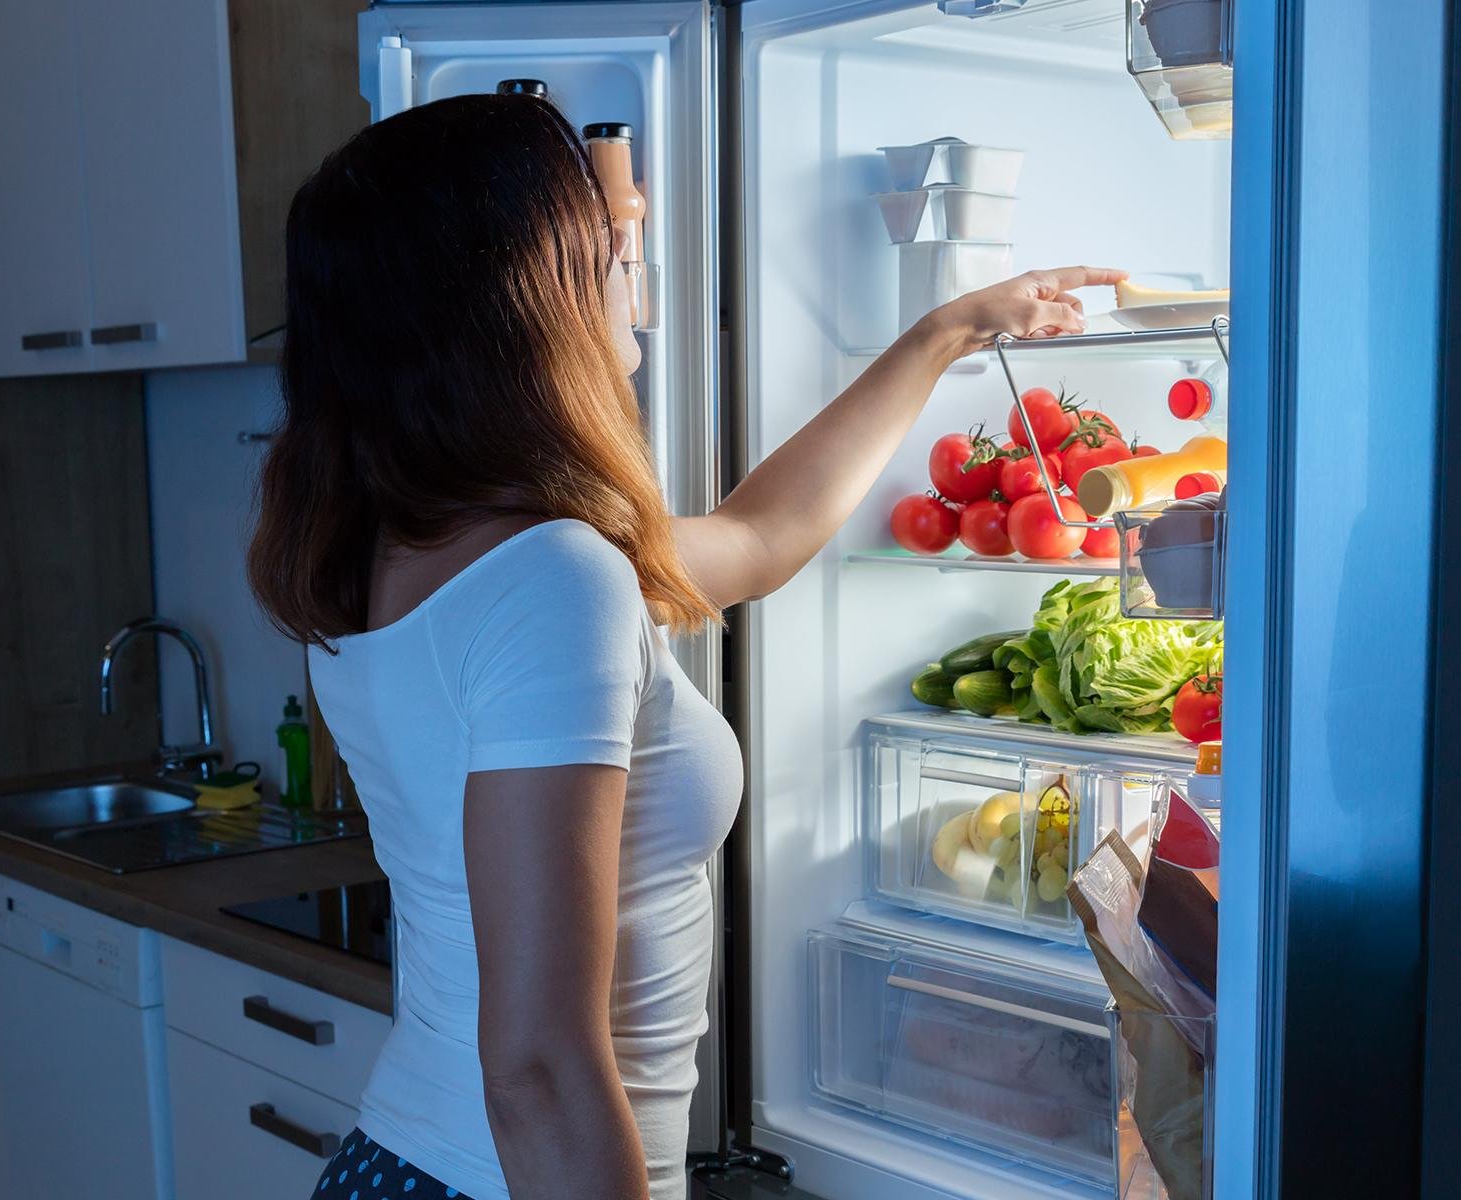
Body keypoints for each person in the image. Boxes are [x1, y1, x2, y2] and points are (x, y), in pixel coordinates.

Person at [249, 93, 1122, 1200]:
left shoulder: (404, 550)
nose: (630, 244)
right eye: (602, 236)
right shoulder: (551, 580)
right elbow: (538, 1068)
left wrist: (946, 331)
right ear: (527, 292)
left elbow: (760, 537)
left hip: (416, 1161)